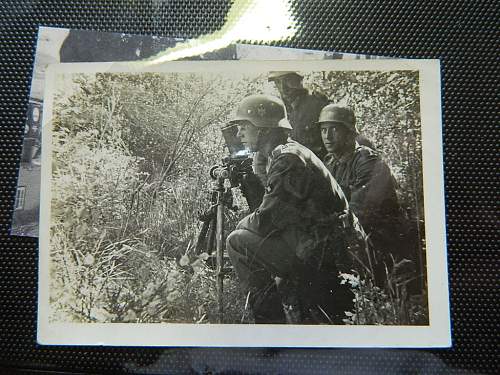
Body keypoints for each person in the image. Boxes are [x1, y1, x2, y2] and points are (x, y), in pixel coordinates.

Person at [225, 94, 364, 324]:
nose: (239, 134)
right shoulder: (287, 152)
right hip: (326, 246)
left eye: (243, 127)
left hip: (329, 255)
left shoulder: (288, 160)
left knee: (237, 241)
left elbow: (266, 221)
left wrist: (244, 223)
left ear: (262, 128)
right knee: (246, 235)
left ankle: (270, 326)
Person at [317, 104, 416, 285]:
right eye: (324, 130)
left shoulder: (367, 161)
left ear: (349, 132)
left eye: (334, 129)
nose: (327, 136)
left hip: (380, 233)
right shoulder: (330, 162)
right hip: (354, 228)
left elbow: (362, 212)